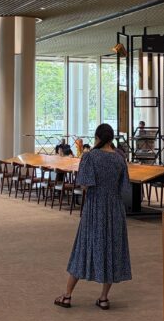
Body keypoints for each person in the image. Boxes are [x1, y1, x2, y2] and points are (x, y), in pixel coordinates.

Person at [54, 123, 131, 311]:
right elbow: (125, 188)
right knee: (112, 249)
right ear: (111, 139)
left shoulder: (90, 157)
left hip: (95, 208)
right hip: (115, 209)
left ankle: (67, 295)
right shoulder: (120, 159)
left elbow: (85, 185)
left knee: (83, 247)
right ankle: (104, 298)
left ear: (97, 138)